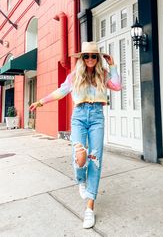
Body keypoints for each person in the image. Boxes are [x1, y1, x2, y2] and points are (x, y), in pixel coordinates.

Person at [29, 41, 121, 229]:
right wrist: (41, 102)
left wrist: (112, 66)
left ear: (98, 58)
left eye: (94, 56)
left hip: (97, 117)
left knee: (95, 160)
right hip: (79, 117)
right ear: (81, 58)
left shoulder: (103, 75)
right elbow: (60, 92)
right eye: (86, 56)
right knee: (79, 157)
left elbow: (118, 86)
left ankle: (89, 208)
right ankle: (81, 180)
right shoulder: (74, 77)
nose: (90, 59)